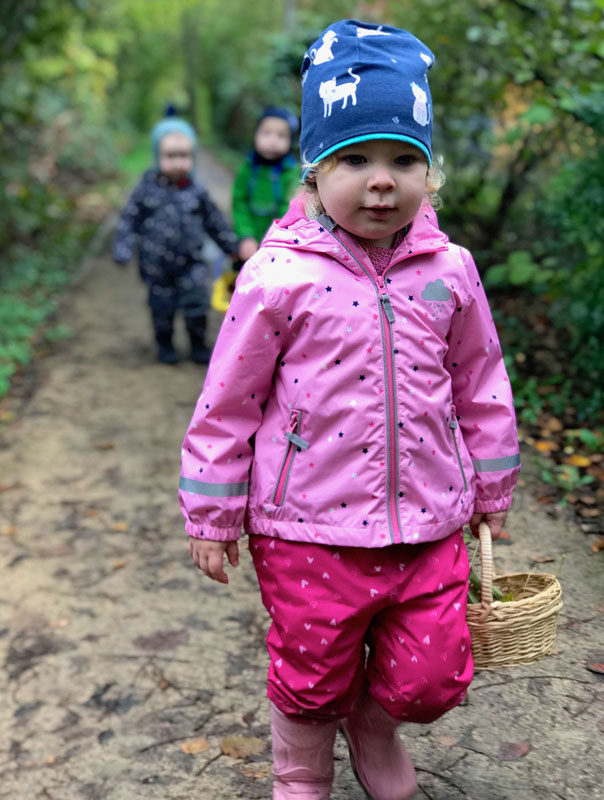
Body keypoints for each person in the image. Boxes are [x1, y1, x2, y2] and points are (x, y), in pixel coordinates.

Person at [180, 19, 520, 800]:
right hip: (306, 523)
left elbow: (482, 383)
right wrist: (211, 510)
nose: (381, 181)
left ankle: (374, 723)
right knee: (311, 670)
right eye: (354, 159)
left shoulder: (451, 271)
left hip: (430, 517)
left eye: (405, 160)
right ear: (314, 169)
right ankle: (301, 769)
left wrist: (492, 490)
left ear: (430, 176)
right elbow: (228, 400)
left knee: (434, 675)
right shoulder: (277, 276)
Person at [113, 116, 239, 364]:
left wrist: (231, 247)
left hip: (191, 263)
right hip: (155, 265)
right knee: (162, 309)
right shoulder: (146, 189)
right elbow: (129, 219)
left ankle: (198, 344)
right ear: (157, 156)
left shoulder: (196, 191)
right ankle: (165, 345)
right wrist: (123, 247)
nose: (178, 163)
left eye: (184, 155)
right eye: (170, 156)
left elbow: (214, 221)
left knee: (197, 305)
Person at [232, 106, 300, 262]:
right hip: (246, 241)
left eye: (281, 135)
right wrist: (245, 235)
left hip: (279, 244)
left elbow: (290, 206)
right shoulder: (247, 168)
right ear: (256, 135)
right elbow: (239, 201)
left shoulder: (291, 172)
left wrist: (275, 238)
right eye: (266, 133)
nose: (273, 140)